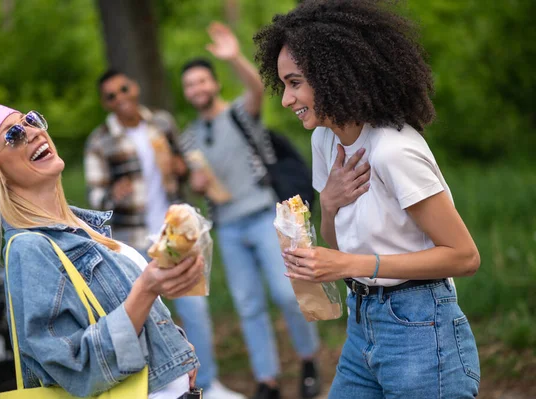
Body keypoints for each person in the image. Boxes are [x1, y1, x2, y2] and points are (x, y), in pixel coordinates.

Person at [253, 1, 482, 398]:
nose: (287, 99)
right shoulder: (324, 140)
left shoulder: (393, 151)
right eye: (284, 84)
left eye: (295, 82)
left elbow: (464, 257)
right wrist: (328, 203)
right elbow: (339, 244)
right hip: (362, 323)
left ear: (332, 75)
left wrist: (350, 264)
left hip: (420, 326)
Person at [0, 101, 205, 397]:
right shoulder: (30, 249)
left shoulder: (83, 226)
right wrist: (146, 289)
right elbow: (77, 366)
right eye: (13, 134)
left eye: (30, 120)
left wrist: (173, 344)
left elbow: (120, 319)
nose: (32, 133)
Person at [180, 22, 322, 399]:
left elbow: (257, 88)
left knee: (287, 293)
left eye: (201, 81)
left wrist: (234, 57)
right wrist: (195, 184)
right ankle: (267, 380)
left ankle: (308, 359)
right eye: (189, 85)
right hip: (226, 226)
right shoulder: (188, 136)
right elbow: (195, 179)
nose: (196, 89)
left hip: (263, 216)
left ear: (213, 83)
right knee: (248, 306)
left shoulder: (241, 114)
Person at [84, 70, 245, 399]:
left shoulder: (161, 122)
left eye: (124, 89)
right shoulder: (100, 140)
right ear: (105, 103)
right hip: (132, 243)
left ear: (135, 87)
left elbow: (185, 166)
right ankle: (162, 390)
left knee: (195, 311)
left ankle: (208, 385)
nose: (120, 98)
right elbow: (95, 200)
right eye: (111, 96)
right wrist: (115, 193)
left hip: (174, 235)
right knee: (147, 318)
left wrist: (182, 168)